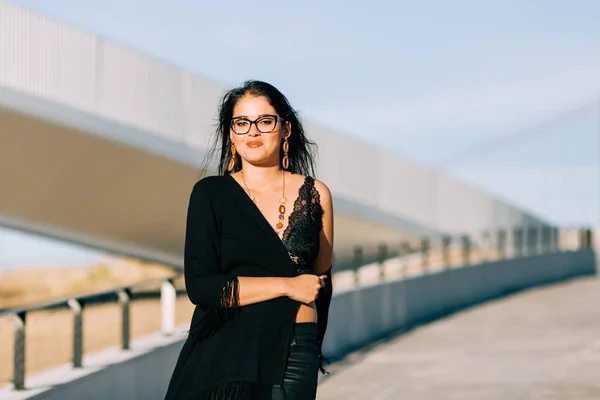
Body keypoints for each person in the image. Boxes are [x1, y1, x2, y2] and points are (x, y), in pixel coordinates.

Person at [165, 80, 334, 400]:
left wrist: (313, 345)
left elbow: (321, 282)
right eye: (241, 123)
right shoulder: (210, 195)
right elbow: (202, 288)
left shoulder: (316, 195)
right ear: (230, 134)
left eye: (264, 121)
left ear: (286, 129)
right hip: (225, 352)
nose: (252, 132)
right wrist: (286, 286)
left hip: (294, 352)